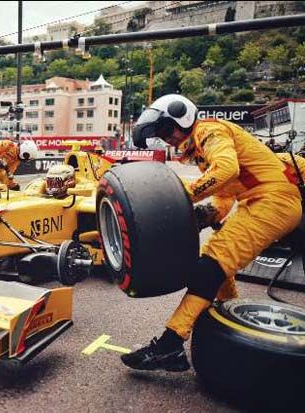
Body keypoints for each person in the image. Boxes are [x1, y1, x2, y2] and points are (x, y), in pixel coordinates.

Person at [123, 94, 301, 372]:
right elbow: (226, 193)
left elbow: (227, 170)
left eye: (167, 129)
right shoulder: (201, 149)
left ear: (183, 118)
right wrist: (210, 214)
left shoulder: (210, 130)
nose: (165, 137)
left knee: (210, 267)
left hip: (273, 202)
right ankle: (230, 315)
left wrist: (183, 197)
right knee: (214, 261)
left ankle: (170, 344)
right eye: (160, 134)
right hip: (260, 201)